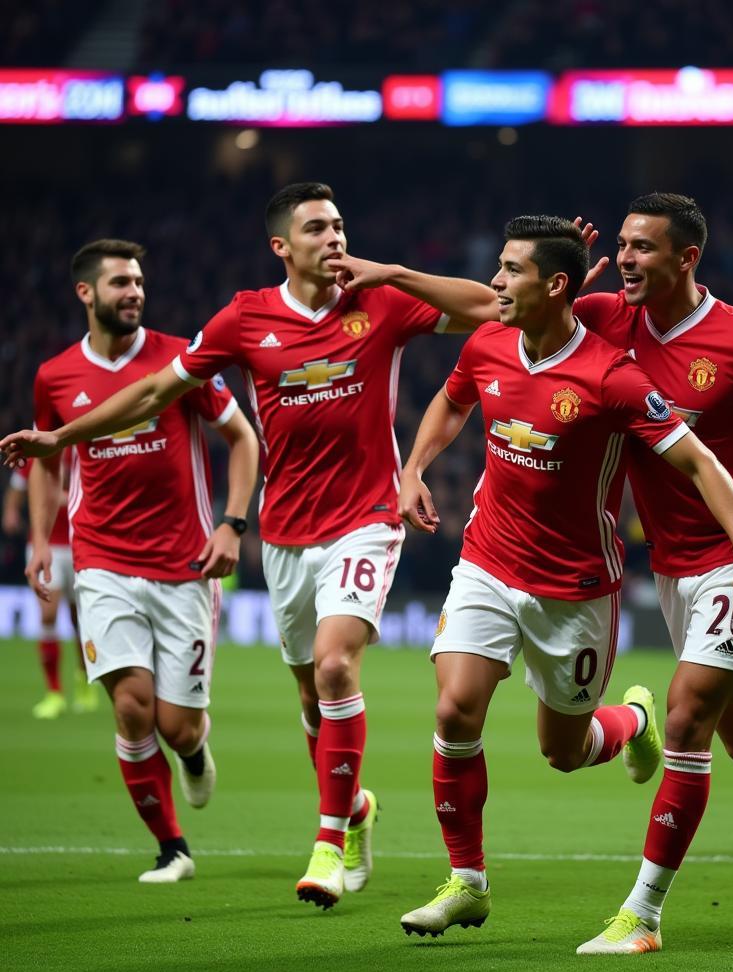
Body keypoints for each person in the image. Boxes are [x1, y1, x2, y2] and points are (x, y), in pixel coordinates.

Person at [331, 193, 733, 954]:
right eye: (621, 247)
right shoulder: (601, 315)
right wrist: (448, 280)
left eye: (644, 249)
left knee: (696, 722)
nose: (627, 259)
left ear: (686, 259)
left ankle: (644, 915)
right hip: (647, 556)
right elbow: (492, 314)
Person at [2, 183, 472, 909]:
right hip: (286, 536)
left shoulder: (377, 303)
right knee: (312, 700)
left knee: (336, 664)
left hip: (367, 517)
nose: (334, 237)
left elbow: (488, 308)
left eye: (341, 224)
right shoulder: (246, 317)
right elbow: (158, 390)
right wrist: (63, 437)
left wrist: (394, 273)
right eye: (317, 228)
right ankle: (353, 810)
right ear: (281, 245)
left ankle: (325, 843)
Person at [394, 215, 733, 938]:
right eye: (500, 267)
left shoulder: (612, 377)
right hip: (486, 559)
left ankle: (631, 722)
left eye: (512, 271)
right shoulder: (486, 345)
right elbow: (452, 401)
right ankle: (466, 881)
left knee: (563, 753)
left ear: (557, 285)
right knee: (453, 712)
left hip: (573, 587)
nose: (497, 284)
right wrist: (413, 468)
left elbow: (700, 461)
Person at [9, 238, 259, 882]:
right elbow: (45, 461)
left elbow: (241, 437)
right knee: (130, 707)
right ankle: (172, 846)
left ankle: (195, 750)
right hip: (102, 562)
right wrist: (40, 540)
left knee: (177, 726)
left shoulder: (180, 359)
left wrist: (232, 524)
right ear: (86, 293)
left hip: (184, 566)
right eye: (121, 282)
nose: (135, 292)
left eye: (140, 281)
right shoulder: (55, 376)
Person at [3, 454, 96, 718]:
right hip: (46, 545)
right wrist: (11, 511)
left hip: (81, 542)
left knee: (82, 620)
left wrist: (63, 498)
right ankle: (53, 692)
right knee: (48, 614)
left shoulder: (79, 445)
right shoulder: (36, 453)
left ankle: (84, 680)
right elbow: (18, 485)